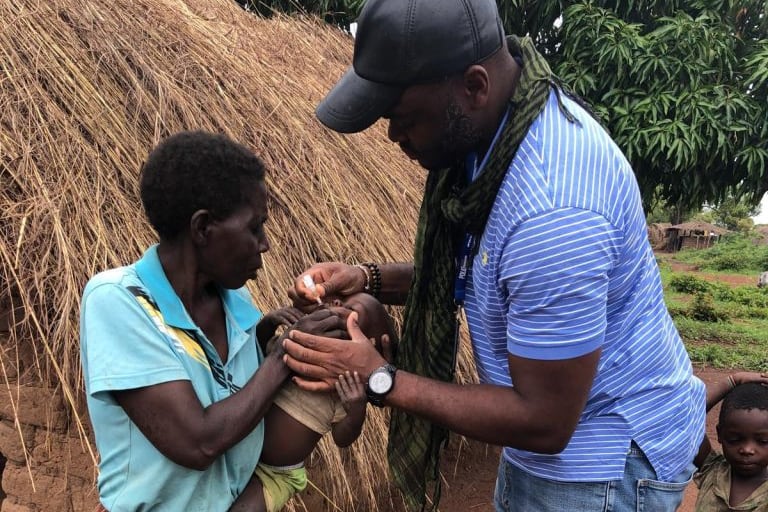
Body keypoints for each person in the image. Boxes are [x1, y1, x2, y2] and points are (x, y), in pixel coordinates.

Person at [280, 0, 706, 511]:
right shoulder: (492, 144)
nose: (392, 137)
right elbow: (487, 277)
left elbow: (544, 422)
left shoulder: (553, 213)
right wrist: (367, 277)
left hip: (600, 464)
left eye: (402, 117)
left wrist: (379, 377)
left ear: (475, 86)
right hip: (555, 434)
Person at [79, 130, 346, 512]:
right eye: (254, 228)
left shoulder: (234, 300)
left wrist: (271, 335)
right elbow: (197, 443)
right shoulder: (119, 300)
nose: (265, 243)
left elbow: (243, 403)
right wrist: (287, 353)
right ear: (203, 228)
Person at [230, 294, 397, 512]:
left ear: (367, 346)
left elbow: (342, 438)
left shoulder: (344, 388)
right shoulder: (291, 346)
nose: (337, 303)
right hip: (237, 448)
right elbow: (255, 351)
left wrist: (356, 411)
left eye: (350, 310)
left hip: (275, 476)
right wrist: (269, 323)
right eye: (338, 299)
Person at [693, 372, 768, 511]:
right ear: (720, 434)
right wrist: (731, 381)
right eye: (735, 439)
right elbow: (687, 419)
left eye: (763, 441)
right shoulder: (712, 470)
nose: (747, 449)